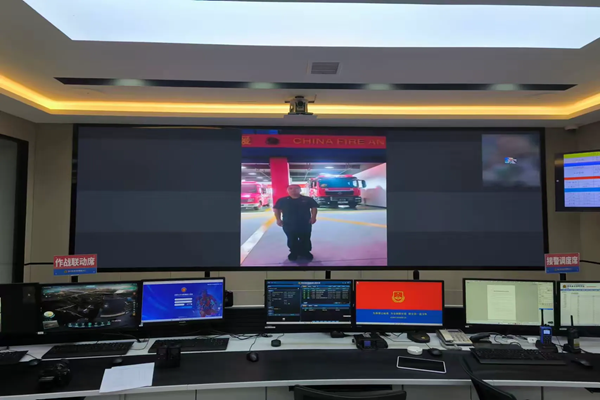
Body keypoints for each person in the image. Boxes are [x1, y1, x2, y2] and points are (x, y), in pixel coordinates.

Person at [273, 185, 318, 261]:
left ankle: (306, 252)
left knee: (305, 238)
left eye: (296, 188)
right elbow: (276, 209)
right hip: (288, 223)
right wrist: (278, 219)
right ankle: (294, 252)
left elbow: (314, 208)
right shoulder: (282, 200)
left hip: (305, 223)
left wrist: (313, 217)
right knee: (292, 238)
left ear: (300, 190)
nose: (293, 190)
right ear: (287, 191)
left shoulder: (307, 199)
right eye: (290, 189)